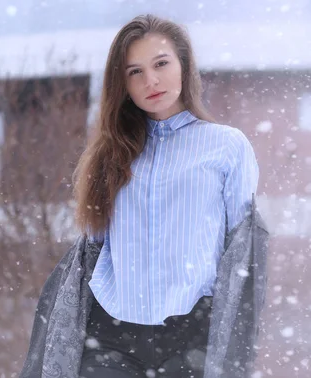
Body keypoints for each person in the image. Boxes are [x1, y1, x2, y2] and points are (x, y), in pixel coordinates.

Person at [70, 14, 259, 377]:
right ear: (122, 83)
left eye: (160, 64)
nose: (151, 81)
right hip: (110, 334)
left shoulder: (227, 146)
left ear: (184, 65)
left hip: (193, 335)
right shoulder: (108, 153)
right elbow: (93, 248)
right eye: (134, 72)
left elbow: (244, 249)